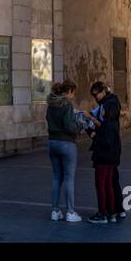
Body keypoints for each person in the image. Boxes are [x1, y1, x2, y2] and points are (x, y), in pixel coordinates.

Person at [45, 80, 82, 223]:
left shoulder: (51, 105)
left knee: (56, 178)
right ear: (69, 91)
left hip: (52, 142)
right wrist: (79, 125)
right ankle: (70, 212)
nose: (73, 96)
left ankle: (55, 211)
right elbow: (69, 125)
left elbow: (48, 120)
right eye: (73, 93)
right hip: (67, 144)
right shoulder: (67, 105)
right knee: (68, 179)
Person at [87, 81, 122, 224]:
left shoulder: (108, 108)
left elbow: (102, 130)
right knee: (108, 183)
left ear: (102, 91)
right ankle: (112, 213)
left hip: (104, 153)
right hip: (113, 152)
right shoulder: (111, 108)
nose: (96, 98)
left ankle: (103, 213)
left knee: (101, 184)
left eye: (97, 94)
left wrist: (91, 123)